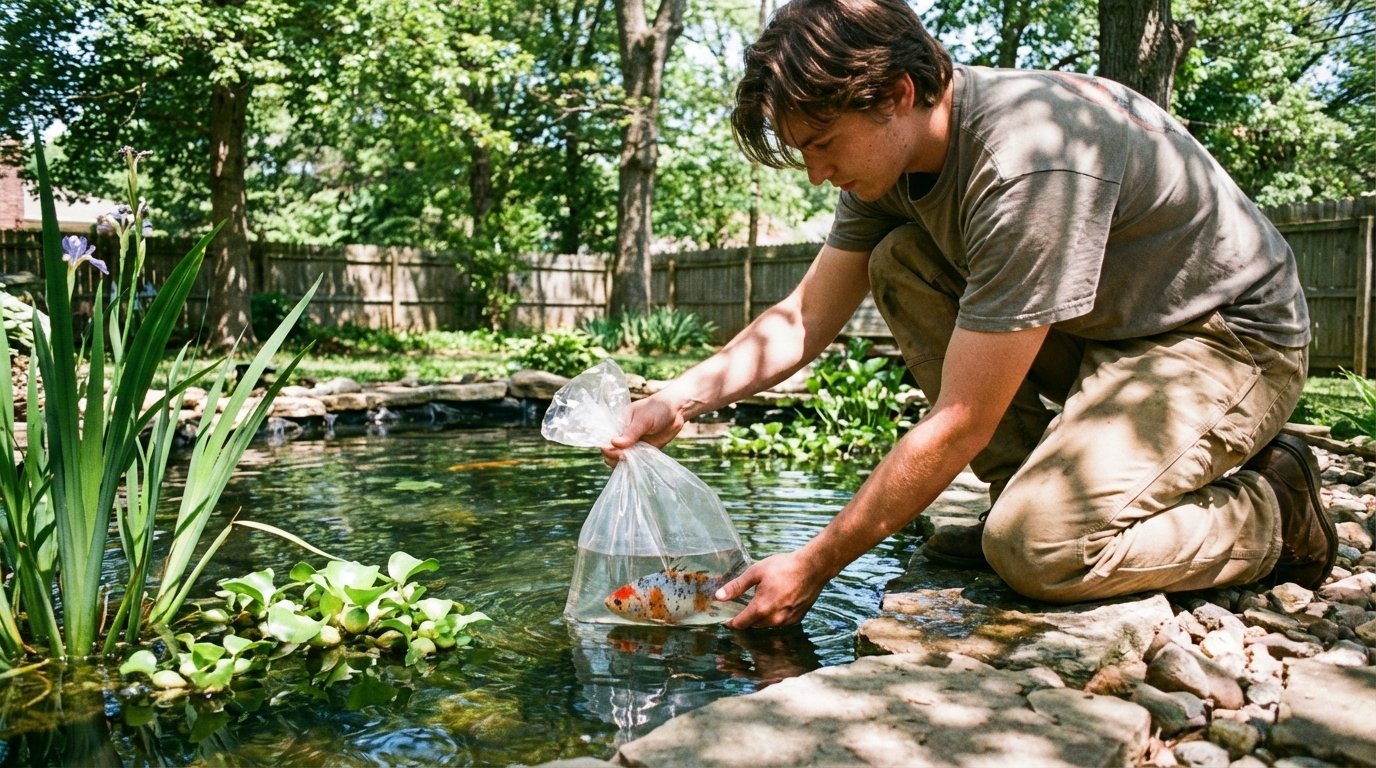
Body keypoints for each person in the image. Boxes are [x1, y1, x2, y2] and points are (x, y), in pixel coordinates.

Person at [602, 0, 1338, 629]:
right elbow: (801, 319)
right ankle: (1017, 493)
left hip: (1222, 339)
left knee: (1041, 550)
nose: (817, 173)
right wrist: (674, 399)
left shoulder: (1028, 162)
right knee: (900, 261)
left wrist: (818, 560)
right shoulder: (887, 168)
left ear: (895, 92)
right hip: (1104, 332)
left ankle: (1276, 508)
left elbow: (961, 417)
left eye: (822, 144)